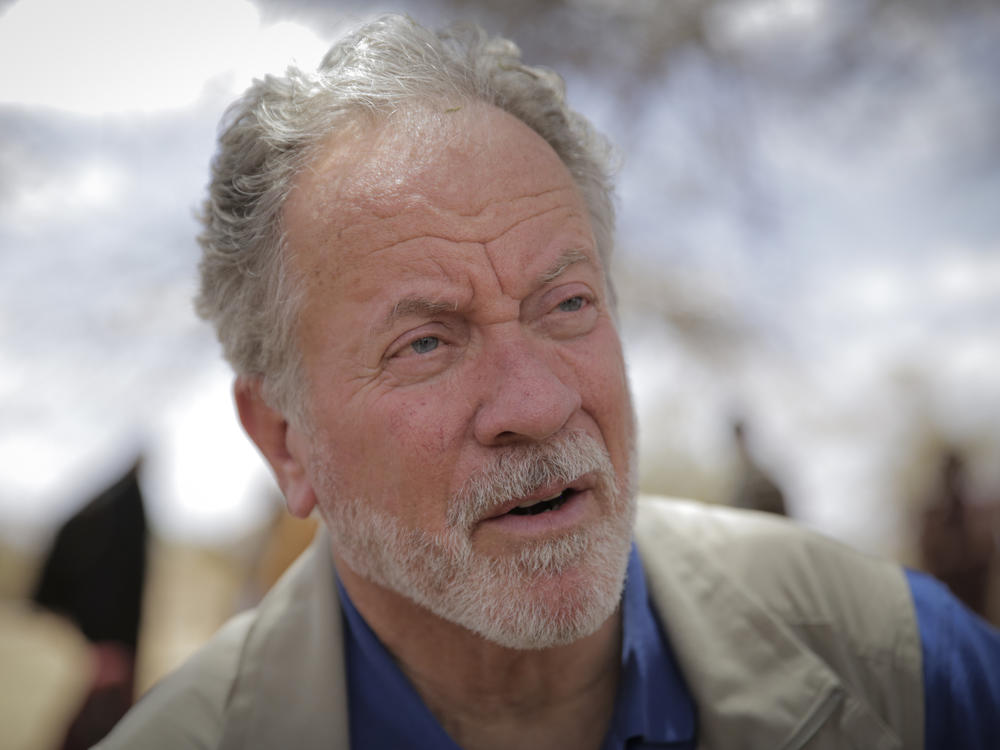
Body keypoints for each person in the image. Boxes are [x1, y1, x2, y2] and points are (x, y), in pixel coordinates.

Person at [98, 14, 1000, 750]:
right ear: (284, 440)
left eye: (566, 303)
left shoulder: (904, 668)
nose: (538, 403)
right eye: (424, 345)